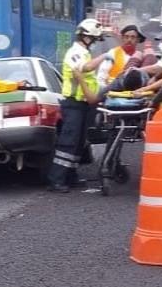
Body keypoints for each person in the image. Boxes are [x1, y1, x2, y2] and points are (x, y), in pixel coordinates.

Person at [47, 18, 107, 193]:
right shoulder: (75, 52)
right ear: (86, 37)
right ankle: (56, 180)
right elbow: (85, 69)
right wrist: (104, 56)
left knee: (78, 142)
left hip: (82, 104)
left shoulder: (84, 52)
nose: (95, 43)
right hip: (73, 103)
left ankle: (70, 176)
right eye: (95, 40)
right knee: (68, 142)